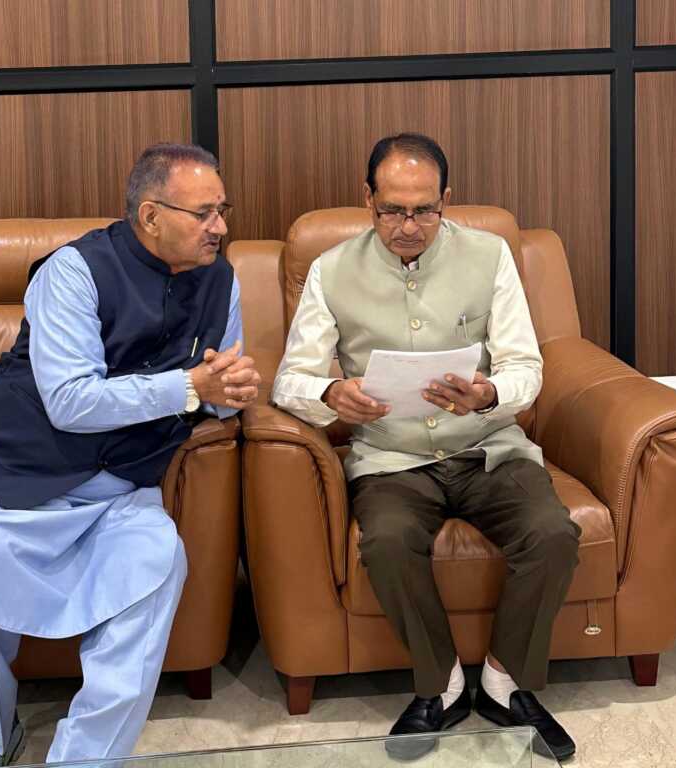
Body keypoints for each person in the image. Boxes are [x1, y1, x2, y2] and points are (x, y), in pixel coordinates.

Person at [0, 143, 261, 768]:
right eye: (204, 213)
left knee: (157, 562)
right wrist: (190, 387)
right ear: (151, 215)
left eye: (224, 210)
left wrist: (228, 393)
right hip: (11, 470)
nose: (220, 226)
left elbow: (215, 386)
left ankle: (84, 758)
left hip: (119, 484)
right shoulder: (73, 271)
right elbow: (71, 402)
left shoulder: (222, 280)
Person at [271, 133, 580, 761]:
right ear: (368, 199)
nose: (408, 226)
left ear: (446, 200)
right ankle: (441, 684)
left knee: (552, 533)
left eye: (424, 211)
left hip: (488, 446)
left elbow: (526, 366)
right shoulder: (331, 269)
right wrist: (331, 394)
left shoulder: (490, 255)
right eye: (392, 210)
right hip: (391, 457)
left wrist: (489, 394)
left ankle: (503, 682)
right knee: (386, 542)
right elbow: (288, 380)